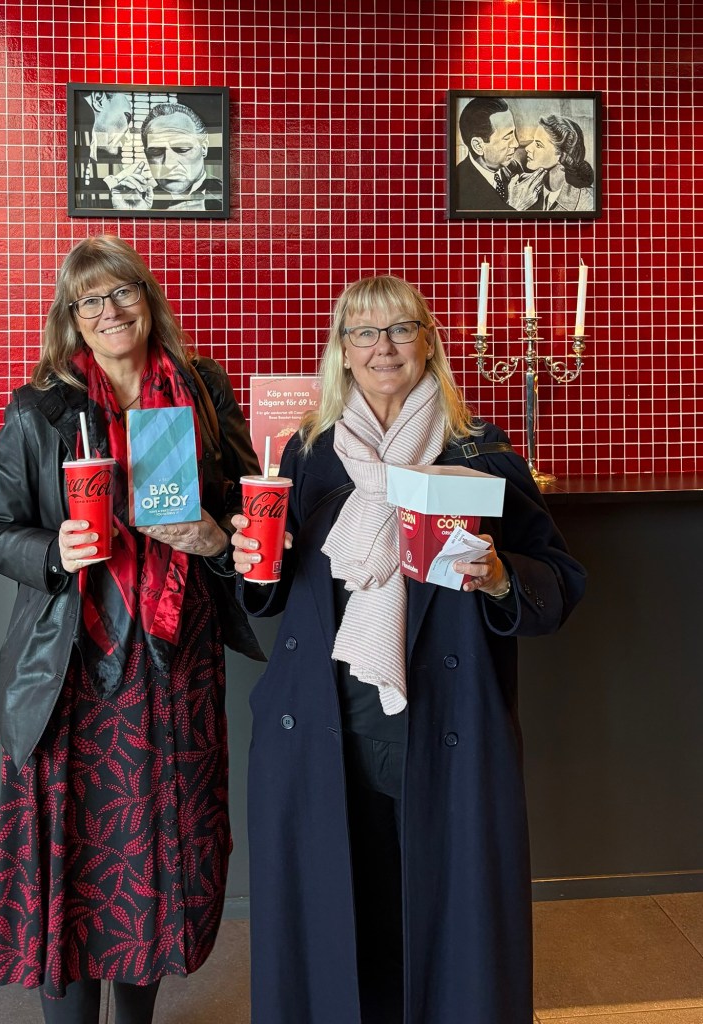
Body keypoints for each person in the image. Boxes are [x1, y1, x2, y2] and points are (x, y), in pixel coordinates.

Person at [231, 275, 586, 1024]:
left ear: (429, 342)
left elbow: (558, 582)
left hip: (442, 724)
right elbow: (269, 595)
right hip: (323, 726)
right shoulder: (308, 454)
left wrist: (499, 577)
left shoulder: (480, 453)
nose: (383, 347)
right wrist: (243, 558)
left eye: (400, 329)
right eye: (364, 332)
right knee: (339, 922)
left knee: (438, 928)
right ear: (343, 351)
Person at [0, 234, 263, 1023]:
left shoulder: (202, 391)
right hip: (72, 669)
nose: (109, 310)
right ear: (71, 319)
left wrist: (217, 537)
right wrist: (53, 551)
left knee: (162, 857)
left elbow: (248, 502)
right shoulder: (40, 408)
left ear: (147, 297)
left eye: (121, 291)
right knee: (73, 865)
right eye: (89, 300)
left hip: (175, 663)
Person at [509, 113, 596, 213]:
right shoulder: (524, 187)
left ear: (562, 155)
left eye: (538, 145)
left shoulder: (588, 202)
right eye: (533, 141)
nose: (528, 148)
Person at [455, 96, 519, 212]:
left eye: (514, 133)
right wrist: (517, 206)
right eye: (507, 138)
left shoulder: (514, 167)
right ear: (478, 146)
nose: (516, 144)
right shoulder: (460, 185)